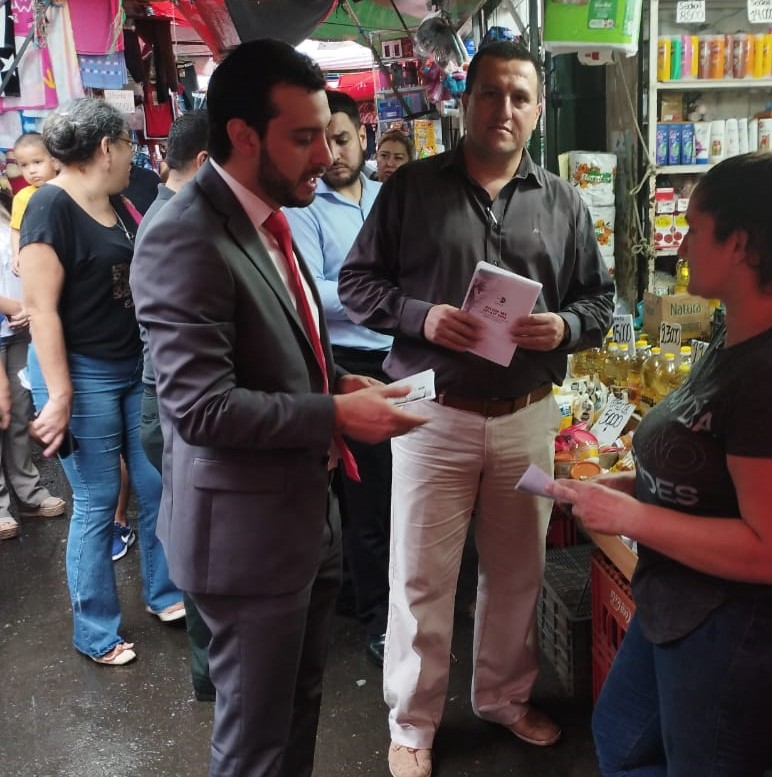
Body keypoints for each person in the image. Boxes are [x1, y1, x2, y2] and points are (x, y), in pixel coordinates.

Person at [129, 39, 426, 777]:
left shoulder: (270, 218)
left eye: (326, 133)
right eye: (303, 137)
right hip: (244, 540)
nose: (323, 154)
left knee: (298, 708)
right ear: (242, 135)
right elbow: (199, 408)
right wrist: (332, 414)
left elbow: (280, 346)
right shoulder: (184, 236)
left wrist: (338, 385)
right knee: (255, 739)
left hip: (302, 518)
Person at [339, 41, 614, 777]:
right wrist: (421, 317)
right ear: (466, 101)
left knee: (518, 568)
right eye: (491, 93)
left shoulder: (562, 202)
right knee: (422, 576)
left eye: (520, 96)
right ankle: (412, 720)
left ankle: (502, 696)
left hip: (527, 415)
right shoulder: (412, 190)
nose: (505, 108)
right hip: (435, 414)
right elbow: (356, 284)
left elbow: (599, 300)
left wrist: (567, 326)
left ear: (536, 109)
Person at [548, 141, 772, 776]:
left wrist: (629, 518)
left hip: (744, 629)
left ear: (741, 244)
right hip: (685, 604)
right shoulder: (738, 328)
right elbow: (710, 466)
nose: (681, 246)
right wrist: (631, 485)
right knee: (622, 739)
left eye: (694, 230)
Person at [19, 97, 184, 667]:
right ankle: (95, 630)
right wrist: (59, 395)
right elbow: (42, 311)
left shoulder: (120, 205)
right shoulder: (50, 207)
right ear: (105, 148)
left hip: (128, 369)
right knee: (94, 499)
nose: (132, 156)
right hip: (78, 374)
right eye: (128, 145)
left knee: (156, 482)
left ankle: (165, 592)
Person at [285, 90, 391, 669]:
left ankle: (378, 597)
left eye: (343, 138)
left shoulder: (386, 198)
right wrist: (384, 295)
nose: (333, 152)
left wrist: (379, 295)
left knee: (400, 492)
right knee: (366, 500)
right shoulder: (303, 210)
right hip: (347, 365)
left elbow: (408, 273)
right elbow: (312, 293)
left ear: (362, 137)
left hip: (401, 361)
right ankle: (376, 616)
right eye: (323, 140)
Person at [133, 109, 216, 701]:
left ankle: (216, 669)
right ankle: (212, 675)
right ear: (208, 162)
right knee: (201, 545)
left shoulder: (179, 214)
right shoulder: (176, 225)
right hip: (170, 410)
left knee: (202, 541)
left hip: (167, 406)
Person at [0, 187, 64, 541]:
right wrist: (19, 308)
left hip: (19, 332)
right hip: (11, 322)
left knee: (20, 415)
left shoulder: (15, 212)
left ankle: (29, 492)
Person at [9, 132, 59, 266]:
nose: (31, 170)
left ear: (55, 162)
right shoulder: (22, 197)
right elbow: (16, 229)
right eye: (24, 165)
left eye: (37, 162)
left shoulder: (67, 189)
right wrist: (17, 254)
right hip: (41, 259)